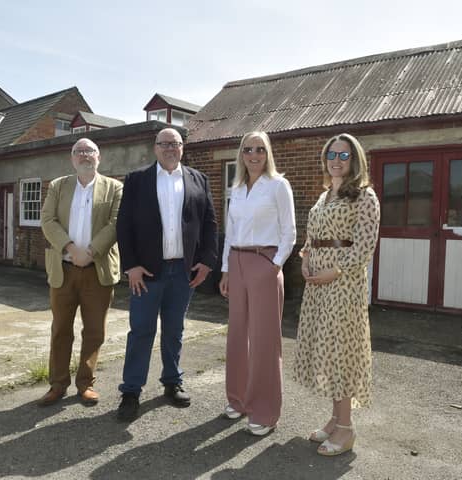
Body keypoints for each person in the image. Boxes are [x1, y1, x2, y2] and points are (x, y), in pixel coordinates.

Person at [115, 127, 218, 421]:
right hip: (146, 272)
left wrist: (208, 261)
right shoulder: (137, 180)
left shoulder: (198, 179)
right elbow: (124, 226)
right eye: (165, 144)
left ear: (182, 148)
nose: (170, 148)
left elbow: (209, 222)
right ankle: (131, 391)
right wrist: (131, 265)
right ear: (155, 148)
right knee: (141, 331)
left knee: (174, 330)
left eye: (176, 144)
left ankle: (172, 382)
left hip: (183, 272)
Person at [294, 133, 380, 456]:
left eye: (344, 156)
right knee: (328, 352)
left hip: (343, 286)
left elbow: (364, 245)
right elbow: (312, 237)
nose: (337, 160)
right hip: (318, 285)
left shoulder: (365, 197)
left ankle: (346, 429)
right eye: (332, 154)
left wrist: (336, 271)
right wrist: (304, 259)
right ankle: (335, 419)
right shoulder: (324, 196)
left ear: (355, 159)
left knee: (341, 353)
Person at [218, 131, 296, 436]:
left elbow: (289, 232)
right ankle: (238, 400)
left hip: (264, 263)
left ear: (268, 154)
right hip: (236, 264)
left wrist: (273, 266)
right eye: (248, 149)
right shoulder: (236, 188)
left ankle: (264, 410)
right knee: (237, 336)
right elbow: (230, 231)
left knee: (264, 340)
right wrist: (225, 271)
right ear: (241, 154)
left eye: (260, 149)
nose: (254, 155)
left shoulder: (278, 185)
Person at [38, 138, 123, 407]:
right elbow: (47, 220)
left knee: (95, 330)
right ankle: (57, 384)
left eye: (90, 151)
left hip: (97, 271)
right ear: (72, 158)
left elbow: (116, 223)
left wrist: (91, 252)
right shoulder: (58, 186)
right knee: (61, 329)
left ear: (99, 157)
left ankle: (85, 384)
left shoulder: (115, 187)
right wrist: (71, 248)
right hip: (63, 269)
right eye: (79, 152)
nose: (84, 155)